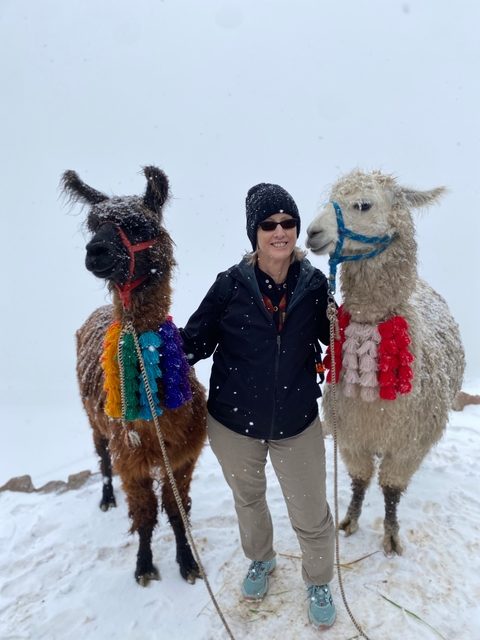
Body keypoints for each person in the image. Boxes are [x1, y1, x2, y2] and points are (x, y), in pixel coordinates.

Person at [180, 183, 336, 629]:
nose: (280, 231)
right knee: (249, 500)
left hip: (297, 421)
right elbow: (195, 342)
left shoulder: (315, 283)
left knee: (310, 510)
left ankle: (319, 579)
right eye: (269, 224)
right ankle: (261, 559)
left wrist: (352, 327)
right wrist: (155, 348)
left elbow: (335, 337)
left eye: (288, 223)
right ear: (255, 233)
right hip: (232, 424)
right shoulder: (229, 286)